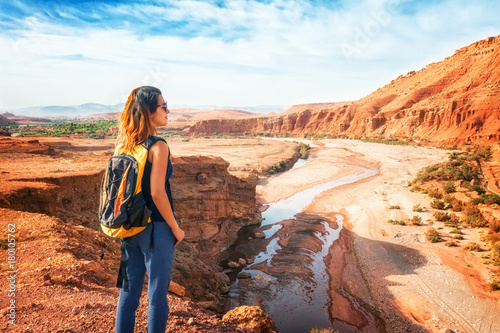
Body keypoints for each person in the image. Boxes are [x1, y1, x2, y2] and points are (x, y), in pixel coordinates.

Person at [114, 86, 185, 333]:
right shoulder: (159, 146)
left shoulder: (125, 144)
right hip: (156, 229)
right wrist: (175, 228)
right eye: (163, 106)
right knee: (157, 297)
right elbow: (157, 192)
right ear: (148, 111)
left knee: (128, 295)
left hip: (130, 227)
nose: (168, 110)